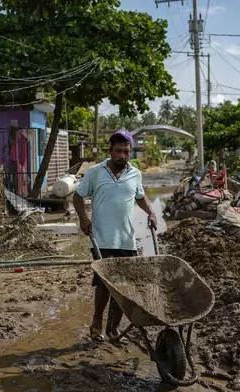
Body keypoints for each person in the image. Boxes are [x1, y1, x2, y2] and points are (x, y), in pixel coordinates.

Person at [73, 129, 157, 342]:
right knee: (105, 283)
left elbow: (140, 197)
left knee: (123, 286)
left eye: (126, 152)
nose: (122, 155)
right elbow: (77, 196)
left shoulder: (135, 174)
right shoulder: (95, 172)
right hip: (101, 238)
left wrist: (152, 212)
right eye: (118, 151)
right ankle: (97, 322)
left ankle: (113, 328)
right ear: (110, 151)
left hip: (127, 239)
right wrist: (84, 219)